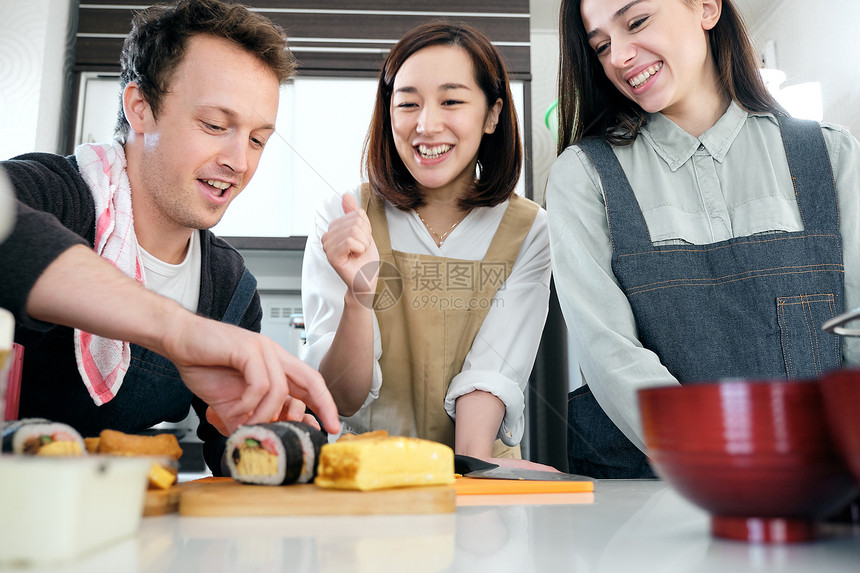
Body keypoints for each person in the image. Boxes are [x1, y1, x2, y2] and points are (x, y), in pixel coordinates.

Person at [0, 0, 339, 473]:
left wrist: (271, 429)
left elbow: (225, 449)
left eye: (258, 139)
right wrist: (179, 331)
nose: (239, 162)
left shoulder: (228, 286)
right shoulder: (58, 195)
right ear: (140, 108)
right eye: (215, 126)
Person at [546, 0, 860, 478]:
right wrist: (726, 466)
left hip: (820, 487)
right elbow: (608, 350)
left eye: (636, 22)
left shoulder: (831, 153)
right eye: (602, 46)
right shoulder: (584, 176)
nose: (620, 57)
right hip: (650, 498)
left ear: (707, 8)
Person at [301, 22, 555, 470]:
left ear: (493, 114)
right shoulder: (344, 217)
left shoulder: (530, 230)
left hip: (477, 476)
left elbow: (491, 373)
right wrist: (360, 294)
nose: (426, 124)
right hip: (368, 474)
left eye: (452, 101)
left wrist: (471, 468)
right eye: (407, 104)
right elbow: (341, 395)